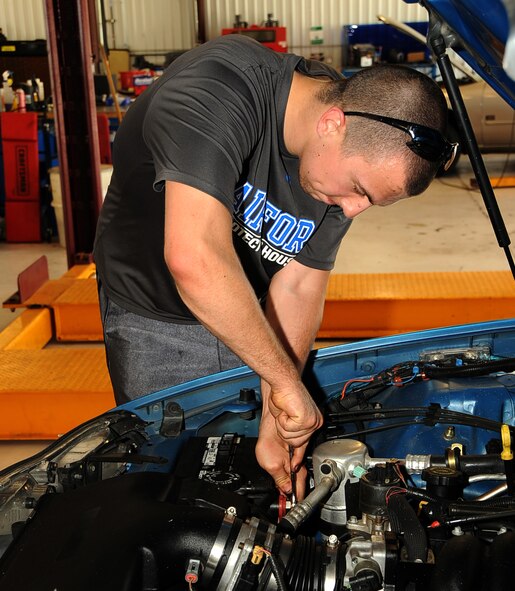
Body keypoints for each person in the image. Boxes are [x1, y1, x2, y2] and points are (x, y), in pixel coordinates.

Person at [93, 34, 453, 496]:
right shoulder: (218, 90)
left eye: (371, 202)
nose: (354, 209)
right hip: (156, 316)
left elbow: (300, 284)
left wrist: (275, 417)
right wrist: (284, 381)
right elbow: (193, 258)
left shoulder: (336, 156)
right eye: (360, 189)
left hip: (251, 309)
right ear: (331, 123)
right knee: (168, 480)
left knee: (245, 482)